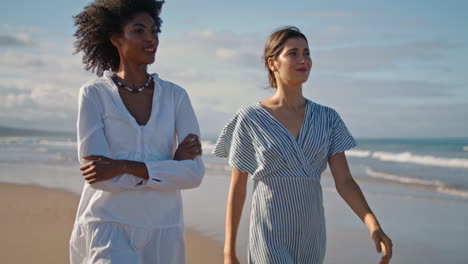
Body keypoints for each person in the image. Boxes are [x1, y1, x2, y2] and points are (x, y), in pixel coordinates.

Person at [213, 26, 392, 264]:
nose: (303, 60)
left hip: (312, 234)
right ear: (272, 63)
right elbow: (237, 189)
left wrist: (373, 224)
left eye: (306, 53)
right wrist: (228, 252)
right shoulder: (251, 119)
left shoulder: (328, 118)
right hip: (269, 233)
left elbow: (345, 182)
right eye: (293, 53)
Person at [69, 0, 204, 263]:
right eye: (139, 30)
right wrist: (167, 169)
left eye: (154, 31)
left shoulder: (176, 96)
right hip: (107, 224)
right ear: (116, 38)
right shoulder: (94, 95)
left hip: (164, 230)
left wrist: (123, 166)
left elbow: (193, 174)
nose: (150, 38)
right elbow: (98, 178)